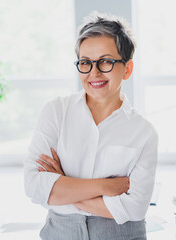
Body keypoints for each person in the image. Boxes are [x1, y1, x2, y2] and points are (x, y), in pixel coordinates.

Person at [24, 12, 158, 240]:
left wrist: (63, 185)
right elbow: (34, 187)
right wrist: (107, 186)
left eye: (105, 61)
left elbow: (135, 208)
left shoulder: (144, 132)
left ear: (127, 69)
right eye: (85, 62)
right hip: (60, 232)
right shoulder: (56, 112)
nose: (94, 72)